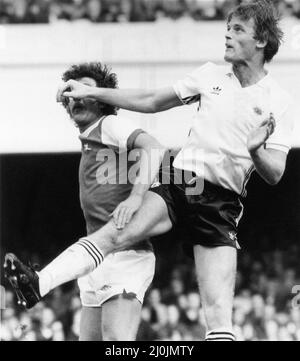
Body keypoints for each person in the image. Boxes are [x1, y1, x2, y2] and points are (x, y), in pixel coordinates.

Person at [4, 0, 296, 341]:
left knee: (218, 316)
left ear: (261, 40)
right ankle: (38, 283)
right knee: (112, 234)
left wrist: (254, 150)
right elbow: (152, 100)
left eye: (237, 30)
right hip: (182, 182)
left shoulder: (280, 101)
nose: (227, 36)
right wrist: (90, 90)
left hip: (221, 202)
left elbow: (275, 172)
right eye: (228, 28)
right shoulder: (210, 75)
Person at [5, 62, 167, 341]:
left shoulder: (109, 124)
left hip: (125, 254)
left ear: (104, 100)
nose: (76, 98)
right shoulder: (92, 136)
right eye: (71, 94)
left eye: (85, 91)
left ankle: (39, 282)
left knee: (117, 344)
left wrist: (136, 197)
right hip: (97, 258)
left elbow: (154, 147)